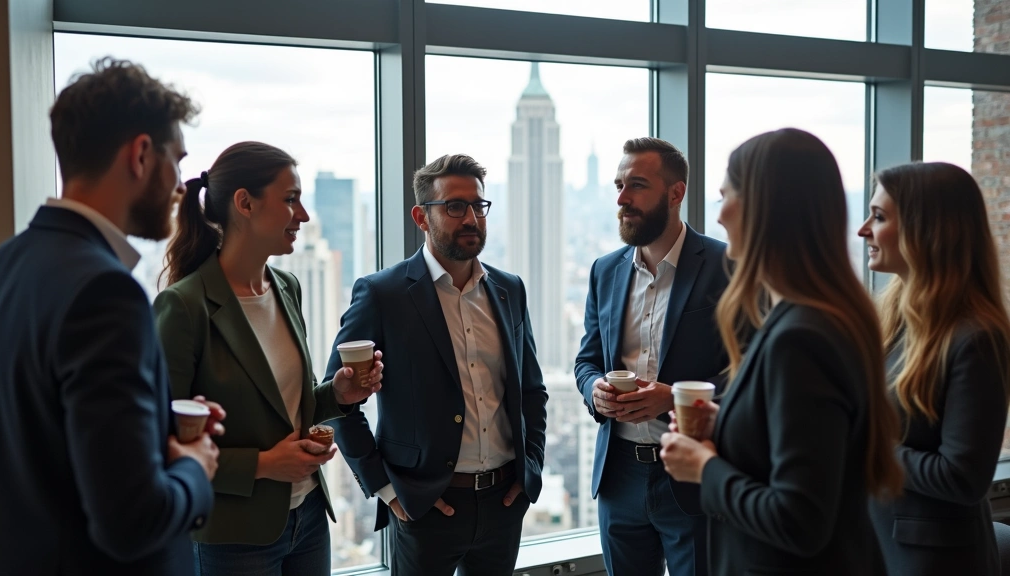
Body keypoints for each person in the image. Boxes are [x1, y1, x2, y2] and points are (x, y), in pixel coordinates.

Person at [0, 57, 220, 575]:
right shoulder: (106, 292)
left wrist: (159, 422)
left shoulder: (6, 262)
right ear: (140, 154)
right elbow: (132, 520)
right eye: (176, 161)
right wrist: (195, 467)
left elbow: (42, 435)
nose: (182, 184)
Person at [659, 128, 904, 575]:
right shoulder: (818, 316)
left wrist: (705, 467)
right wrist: (728, 422)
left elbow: (800, 518)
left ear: (762, 207)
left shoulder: (801, 337)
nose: (719, 217)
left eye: (724, 197)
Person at [154, 141, 383, 575]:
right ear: (245, 203)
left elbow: (289, 407)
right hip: (234, 535)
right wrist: (263, 465)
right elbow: (162, 444)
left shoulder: (287, 287)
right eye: (291, 200)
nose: (304, 216)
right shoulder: (183, 307)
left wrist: (338, 393)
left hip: (310, 517)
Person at [326, 153, 547, 576]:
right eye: (454, 206)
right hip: (426, 508)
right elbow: (338, 400)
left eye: (478, 206)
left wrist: (529, 472)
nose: (471, 218)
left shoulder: (508, 290)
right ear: (421, 217)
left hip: (504, 502)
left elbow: (532, 390)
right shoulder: (382, 294)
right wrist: (389, 491)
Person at [574, 137, 728, 576]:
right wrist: (595, 390)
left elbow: (749, 375)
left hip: (690, 470)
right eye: (619, 185)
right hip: (618, 474)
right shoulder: (605, 269)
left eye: (637, 185)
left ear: (676, 193)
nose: (622, 199)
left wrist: (674, 399)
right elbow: (586, 360)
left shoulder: (725, 267)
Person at [859, 162, 1010, 576]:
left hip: (933, 560)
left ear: (929, 230)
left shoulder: (976, 338)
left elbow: (963, 478)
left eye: (880, 216)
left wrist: (865, 446)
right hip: (875, 540)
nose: (863, 229)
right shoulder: (893, 319)